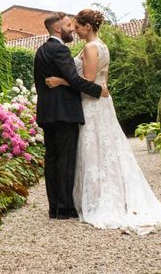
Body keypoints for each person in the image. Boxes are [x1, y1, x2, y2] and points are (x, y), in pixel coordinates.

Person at [46, 9, 161, 234]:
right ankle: (103, 193)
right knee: (104, 148)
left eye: (78, 26)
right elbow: (104, 80)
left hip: (93, 104)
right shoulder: (101, 46)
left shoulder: (92, 48)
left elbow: (90, 81)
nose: (75, 30)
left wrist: (61, 81)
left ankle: (103, 198)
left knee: (95, 148)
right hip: (100, 101)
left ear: (88, 27)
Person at [34, 12, 109, 220]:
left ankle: (54, 208)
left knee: (52, 160)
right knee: (65, 160)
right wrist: (97, 90)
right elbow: (75, 80)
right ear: (58, 29)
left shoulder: (40, 51)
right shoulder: (60, 50)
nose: (72, 29)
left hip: (47, 113)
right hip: (64, 113)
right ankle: (66, 208)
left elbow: (42, 85)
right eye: (68, 25)